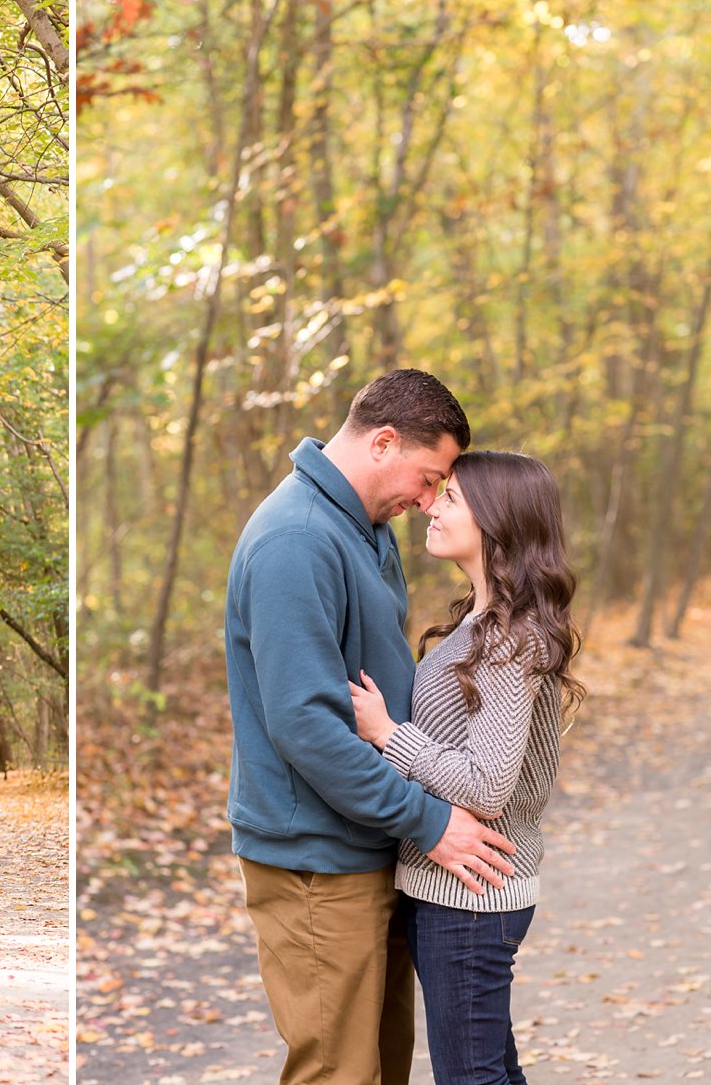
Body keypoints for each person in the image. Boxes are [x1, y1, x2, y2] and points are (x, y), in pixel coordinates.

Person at [225, 368, 519, 1085]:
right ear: (383, 441)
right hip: (316, 862)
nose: (428, 500)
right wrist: (428, 819)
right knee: (337, 1071)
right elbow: (307, 727)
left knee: (381, 1069)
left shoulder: (363, 528)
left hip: (369, 846)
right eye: (428, 477)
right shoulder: (295, 539)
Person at [349, 451, 584, 1084]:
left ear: (498, 521)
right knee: (490, 1072)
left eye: (450, 498)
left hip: (473, 896)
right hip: (456, 891)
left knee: (471, 1078)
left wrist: (387, 734)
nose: (430, 504)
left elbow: (487, 785)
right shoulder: (481, 624)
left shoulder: (514, 637)